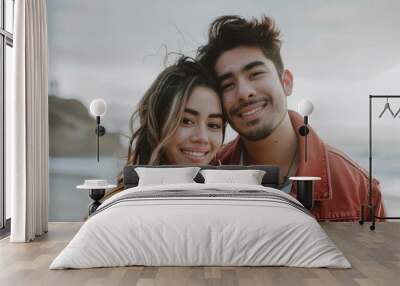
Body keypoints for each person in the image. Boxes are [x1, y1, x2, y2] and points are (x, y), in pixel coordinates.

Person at [197, 15, 385, 221]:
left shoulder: (358, 190)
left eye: (255, 74)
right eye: (228, 85)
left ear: (286, 82)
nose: (244, 92)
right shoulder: (206, 179)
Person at [110, 56, 225, 195]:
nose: (202, 138)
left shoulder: (231, 198)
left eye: (213, 125)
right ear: (158, 122)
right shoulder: (122, 203)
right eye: (186, 121)